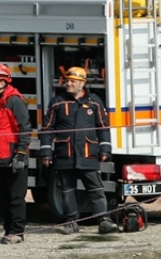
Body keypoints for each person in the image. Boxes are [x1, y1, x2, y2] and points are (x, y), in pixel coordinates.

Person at [39, 66, 118, 234]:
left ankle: (103, 221)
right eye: (67, 81)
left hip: (88, 155)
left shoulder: (95, 102)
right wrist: (45, 152)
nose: (68, 84)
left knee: (96, 190)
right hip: (64, 156)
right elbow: (46, 129)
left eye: (72, 81)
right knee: (67, 191)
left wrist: (105, 149)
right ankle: (71, 222)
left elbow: (103, 128)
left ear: (82, 84)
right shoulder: (57, 102)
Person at [0, 63, 33, 244]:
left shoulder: (14, 101)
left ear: (3, 82)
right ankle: (8, 230)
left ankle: (17, 232)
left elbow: (25, 129)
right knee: (2, 198)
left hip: (13, 158)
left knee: (16, 198)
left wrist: (20, 154)